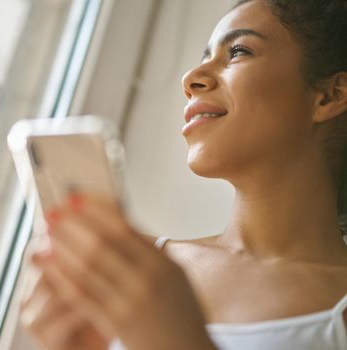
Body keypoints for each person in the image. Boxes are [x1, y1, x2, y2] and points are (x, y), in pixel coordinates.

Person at [19, 0, 347, 349]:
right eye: (206, 56)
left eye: (237, 51)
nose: (191, 78)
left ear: (330, 95)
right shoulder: (139, 272)